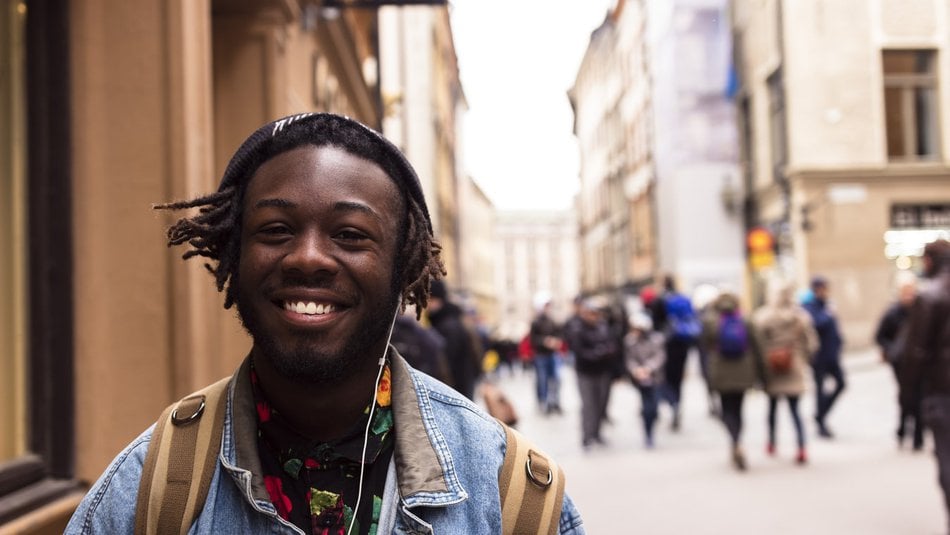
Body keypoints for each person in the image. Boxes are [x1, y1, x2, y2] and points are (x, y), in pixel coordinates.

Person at [65, 113, 584, 534]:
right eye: (276, 228)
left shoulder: (512, 499)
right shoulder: (146, 497)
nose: (308, 257)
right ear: (234, 252)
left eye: (350, 234)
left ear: (403, 267)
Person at [900, 238, 950, 532]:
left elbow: (915, 352)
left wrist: (908, 396)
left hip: (942, 391)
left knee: (947, 456)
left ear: (929, 261)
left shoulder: (930, 296)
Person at [753, 280, 819, 465]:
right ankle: (801, 447)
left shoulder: (764, 317)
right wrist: (802, 359)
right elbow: (812, 343)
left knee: (772, 408)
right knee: (795, 410)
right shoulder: (800, 317)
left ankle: (772, 442)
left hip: (772, 367)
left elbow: (758, 342)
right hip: (794, 366)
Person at [701, 292, 762, 471]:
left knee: (726, 410)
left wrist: (707, 377)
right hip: (744, 372)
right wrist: (763, 376)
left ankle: (734, 441)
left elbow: (704, 349)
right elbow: (758, 347)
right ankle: (738, 443)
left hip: (721, 372)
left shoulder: (711, 322)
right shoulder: (745, 320)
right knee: (739, 409)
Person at [874, 272, 922, 450]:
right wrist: (892, 349)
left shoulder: (921, 310)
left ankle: (918, 436)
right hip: (900, 362)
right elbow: (879, 336)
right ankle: (902, 430)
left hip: (918, 361)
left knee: (917, 397)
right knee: (905, 397)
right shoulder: (892, 313)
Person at [651, 274, 701, 431]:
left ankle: (672, 403)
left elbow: (654, 325)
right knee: (678, 379)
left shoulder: (659, 300)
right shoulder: (684, 299)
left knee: (665, 379)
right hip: (682, 345)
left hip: (665, 346)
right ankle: (677, 405)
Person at [567, 300, 618, 449]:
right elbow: (578, 351)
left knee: (601, 403)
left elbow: (612, 344)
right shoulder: (578, 329)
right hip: (586, 372)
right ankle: (587, 436)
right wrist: (596, 353)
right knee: (588, 404)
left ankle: (597, 433)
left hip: (603, 370)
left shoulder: (603, 327)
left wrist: (605, 352)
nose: (594, 316)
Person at [802, 275, 846, 438]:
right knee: (819, 390)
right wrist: (828, 314)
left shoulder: (826, 305)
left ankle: (820, 414)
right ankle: (820, 422)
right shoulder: (809, 306)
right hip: (818, 357)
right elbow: (816, 324)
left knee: (841, 384)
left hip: (832, 355)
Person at [426, 279, 483, 401]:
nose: (427, 305)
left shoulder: (446, 325)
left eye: (430, 300)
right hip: (465, 383)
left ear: (439, 300)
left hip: (456, 386)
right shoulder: (455, 318)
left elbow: (447, 361)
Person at [624, 313, 665, 449]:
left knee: (654, 407)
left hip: (654, 377)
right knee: (646, 408)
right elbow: (629, 359)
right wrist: (636, 370)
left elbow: (660, 356)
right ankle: (648, 433)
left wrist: (648, 368)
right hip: (640, 379)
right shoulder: (630, 341)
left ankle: (652, 424)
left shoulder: (657, 339)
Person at [529, 292, 564, 414]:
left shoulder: (552, 321)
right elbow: (532, 340)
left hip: (552, 355)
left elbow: (559, 335)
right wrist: (544, 341)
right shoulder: (536, 322)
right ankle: (542, 402)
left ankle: (554, 402)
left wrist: (557, 341)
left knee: (556, 379)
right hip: (541, 356)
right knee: (542, 380)